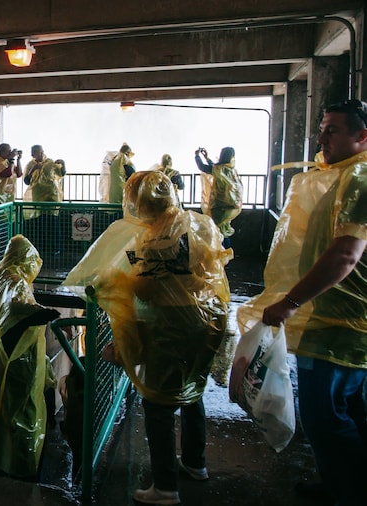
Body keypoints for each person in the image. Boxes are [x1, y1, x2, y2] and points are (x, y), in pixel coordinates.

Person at [64, 170, 232, 505]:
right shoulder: (197, 224)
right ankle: (196, 462)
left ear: (140, 202)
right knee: (192, 388)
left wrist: (118, 282)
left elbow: (151, 290)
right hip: (208, 319)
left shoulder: (157, 238)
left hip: (172, 326)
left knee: (158, 404)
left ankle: (166, 488)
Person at [239, 99, 367, 506]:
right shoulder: (341, 176)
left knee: (325, 417)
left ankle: (349, 492)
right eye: (322, 129)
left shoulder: (360, 179)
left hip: (339, 324)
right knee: (350, 409)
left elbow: (346, 254)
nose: (321, 138)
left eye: (333, 130)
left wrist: (291, 301)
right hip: (334, 316)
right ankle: (337, 482)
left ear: (362, 136)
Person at [0, 235, 60, 479]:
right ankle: (20, 471)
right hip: (13, 364)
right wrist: (46, 314)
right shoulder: (15, 282)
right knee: (19, 418)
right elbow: (18, 312)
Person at [194, 146, 243, 241]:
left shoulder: (218, 169)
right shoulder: (232, 170)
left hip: (218, 206)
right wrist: (207, 158)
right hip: (230, 206)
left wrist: (197, 156)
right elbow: (215, 167)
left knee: (217, 230)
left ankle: (219, 251)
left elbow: (203, 167)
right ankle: (226, 251)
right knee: (225, 229)